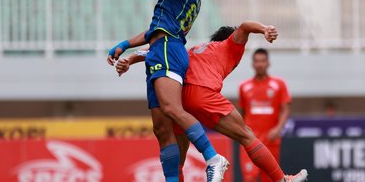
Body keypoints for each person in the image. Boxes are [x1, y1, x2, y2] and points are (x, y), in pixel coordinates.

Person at [114, 21, 308, 182]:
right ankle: (282, 179)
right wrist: (265, 29)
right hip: (203, 93)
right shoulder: (230, 46)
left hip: (178, 100)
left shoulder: (193, 49)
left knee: (179, 159)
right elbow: (245, 26)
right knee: (247, 136)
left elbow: (154, 50)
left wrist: (129, 60)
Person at [107, 0, 228, 182]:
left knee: (172, 109)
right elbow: (156, 31)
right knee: (162, 130)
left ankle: (213, 158)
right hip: (160, 48)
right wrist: (125, 44)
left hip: (167, 50)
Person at [239, 48, 292, 182]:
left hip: (271, 140)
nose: (260, 64)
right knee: (249, 177)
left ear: (268, 63)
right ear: (252, 64)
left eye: (263, 61)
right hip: (250, 140)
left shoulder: (279, 84)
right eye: (257, 61)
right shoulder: (244, 86)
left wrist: (278, 129)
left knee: (269, 178)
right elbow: (242, 113)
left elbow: (285, 109)